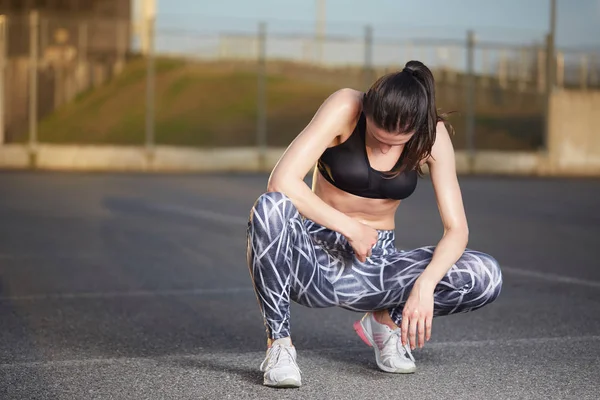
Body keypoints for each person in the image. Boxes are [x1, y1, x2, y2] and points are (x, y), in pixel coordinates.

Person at [245, 60, 503, 388]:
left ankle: (385, 323)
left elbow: (457, 230)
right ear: (367, 110)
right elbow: (281, 181)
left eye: (395, 143)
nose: (384, 146)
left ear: (418, 127)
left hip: (376, 266)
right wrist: (350, 228)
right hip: (314, 256)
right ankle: (279, 346)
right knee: (270, 209)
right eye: (378, 136)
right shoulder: (346, 106)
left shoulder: (432, 136)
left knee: (485, 275)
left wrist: (425, 286)